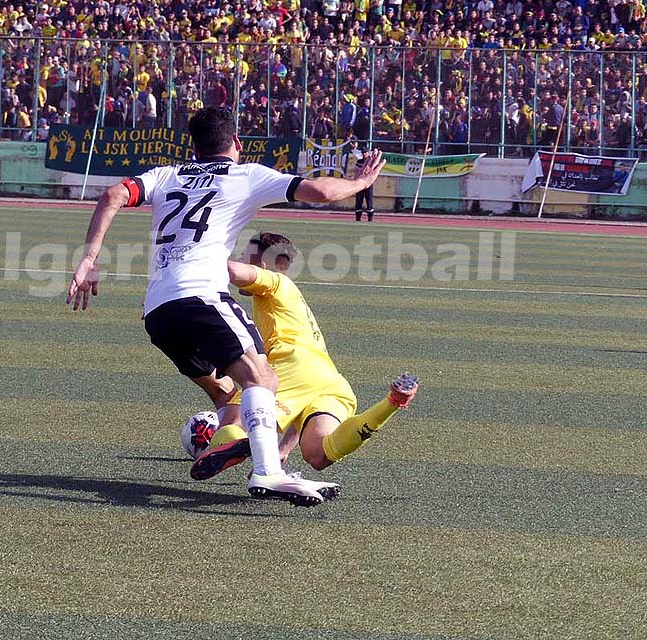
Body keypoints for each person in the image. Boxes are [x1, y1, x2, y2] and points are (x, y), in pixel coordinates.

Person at [66, 106, 385, 506]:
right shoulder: (245, 175)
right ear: (235, 142)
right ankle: (268, 470)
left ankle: (238, 442)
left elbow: (113, 194)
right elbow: (321, 192)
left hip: (158, 310)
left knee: (227, 392)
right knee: (263, 379)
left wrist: (89, 258)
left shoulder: (165, 175)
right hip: (201, 295)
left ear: (194, 146)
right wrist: (361, 181)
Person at [189, 232, 417, 481]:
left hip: (290, 365)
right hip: (329, 381)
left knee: (235, 423)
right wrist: (282, 450)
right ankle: (392, 402)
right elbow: (301, 391)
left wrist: (190, 261)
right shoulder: (292, 301)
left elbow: (232, 271)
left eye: (244, 256)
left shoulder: (276, 282)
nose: (240, 259)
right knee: (319, 453)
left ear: (261, 265)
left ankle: (242, 443)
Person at [353, 144, 376, 221]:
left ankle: (370, 219)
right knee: (358, 201)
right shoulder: (359, 161)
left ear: (368, 153)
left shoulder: (371, 162)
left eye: (365, 152)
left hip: (368, 184)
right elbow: (356, 171)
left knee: (369, 202)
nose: (364, 154)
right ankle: (358, 219)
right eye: (363, 152)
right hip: (360, 184)